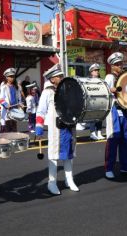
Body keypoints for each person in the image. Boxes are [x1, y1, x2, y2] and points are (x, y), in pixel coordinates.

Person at [35, 64, 79, 195]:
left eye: (61, 75)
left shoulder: (67, 89)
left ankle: (69, 180)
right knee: (54, 155)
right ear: (52, 79)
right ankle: (52, 182)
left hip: (69, 127)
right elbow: (41, 111)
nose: (61, 77)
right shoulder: (47, 92)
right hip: (56, 129)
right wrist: (39, 128)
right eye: (59, 76)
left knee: (69, 154)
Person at [104, 52, 127, 179]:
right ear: (112, 66)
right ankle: (109, 168)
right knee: (113, 138)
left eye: (121, 63)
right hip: (114, 109)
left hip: (124, 109)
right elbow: (104, 91)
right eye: (117, 64)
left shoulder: (124, 77)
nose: (120, 66)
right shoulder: (110, 77)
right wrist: (111, 90)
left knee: (125, 139)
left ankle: (126, 166)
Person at [0, 68, 23, 132]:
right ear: (6, 77)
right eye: (10, 76)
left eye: (13, 76)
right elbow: (1, 99)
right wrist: (6, 104)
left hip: (15, 110)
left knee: (14, 130)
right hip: (6, 111)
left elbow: (19, 98)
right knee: (6, 130)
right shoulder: (4, 86)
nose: (12, 78)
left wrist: (20, 104)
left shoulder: (17, 87)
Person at [88, 63, 105, 140]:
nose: (97, 72)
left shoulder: (101, 80)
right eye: (95, 70)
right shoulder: (89, 81)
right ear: (91, 72)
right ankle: (92, 133)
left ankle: (99, 132)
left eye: (97, 70)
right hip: (92, 101)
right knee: (92, 117)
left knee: (100, 117)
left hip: (100, 100)